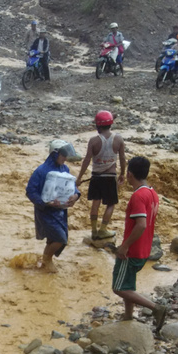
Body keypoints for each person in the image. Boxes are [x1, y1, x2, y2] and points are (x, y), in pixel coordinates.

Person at [113, 155, 166, 331]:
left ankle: (155, 308)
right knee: (128, 283)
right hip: (144, 248)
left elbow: (141, 224)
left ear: (129, 174)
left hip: (132, 250)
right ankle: (128, 315)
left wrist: (125, 246)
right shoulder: (152, 193)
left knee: (119, 288)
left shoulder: (138, 196)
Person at [26, 139, 80, 273]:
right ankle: (47, 260)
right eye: (63, 155)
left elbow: (72, 188)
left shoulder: (65, 169)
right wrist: (45, 202)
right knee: (61, 239)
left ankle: (44, 264)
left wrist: (76, 196)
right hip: (45, 212)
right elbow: (30, 191)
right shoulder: (41, 171)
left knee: (53, 238)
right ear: (55, 154)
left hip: (60, 212)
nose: (65, 158)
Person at [76, 110, 126, 240]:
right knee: (110, 204)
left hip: (96, 177)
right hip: (110, 177)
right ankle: (103, 230)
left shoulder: (93, 141)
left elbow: (87, 160)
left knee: (95, 203)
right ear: (111, 124)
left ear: (98, 126)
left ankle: (93, 231)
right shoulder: (118, 139)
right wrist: (122, 174)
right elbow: (122, 158)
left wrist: (79, 177)